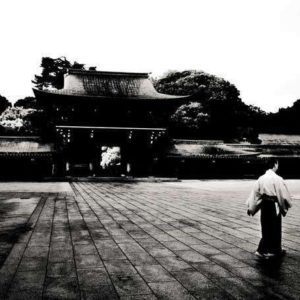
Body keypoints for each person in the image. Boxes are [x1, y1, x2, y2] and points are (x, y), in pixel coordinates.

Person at [246, 158, 292, 258]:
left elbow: (255, 194)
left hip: (265, 205)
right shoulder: (278, 179)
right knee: (275, 227)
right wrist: (287, 204)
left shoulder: (261, 178)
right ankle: (271, 250)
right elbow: (283, 195)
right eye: (277, 164)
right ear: (275, 165)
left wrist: (251, 207)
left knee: (266, 226)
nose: (278, 166)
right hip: (274, 205)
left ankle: (268, 249)